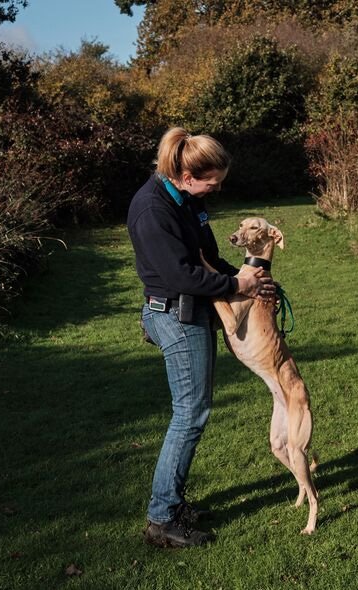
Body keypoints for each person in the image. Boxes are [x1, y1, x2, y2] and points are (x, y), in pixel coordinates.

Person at [127, 127, 275, 548]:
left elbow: (206, 259)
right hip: (174, 314)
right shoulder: (152, 210)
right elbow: (179, 275)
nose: (218, 187)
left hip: (191, 309)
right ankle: (162, 519)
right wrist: (235, 288)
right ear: (187, 175)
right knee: (190, 413)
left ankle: (172, 502)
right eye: (213, 180)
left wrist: (247, 276)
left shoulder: (188, 201)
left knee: (194, 410)